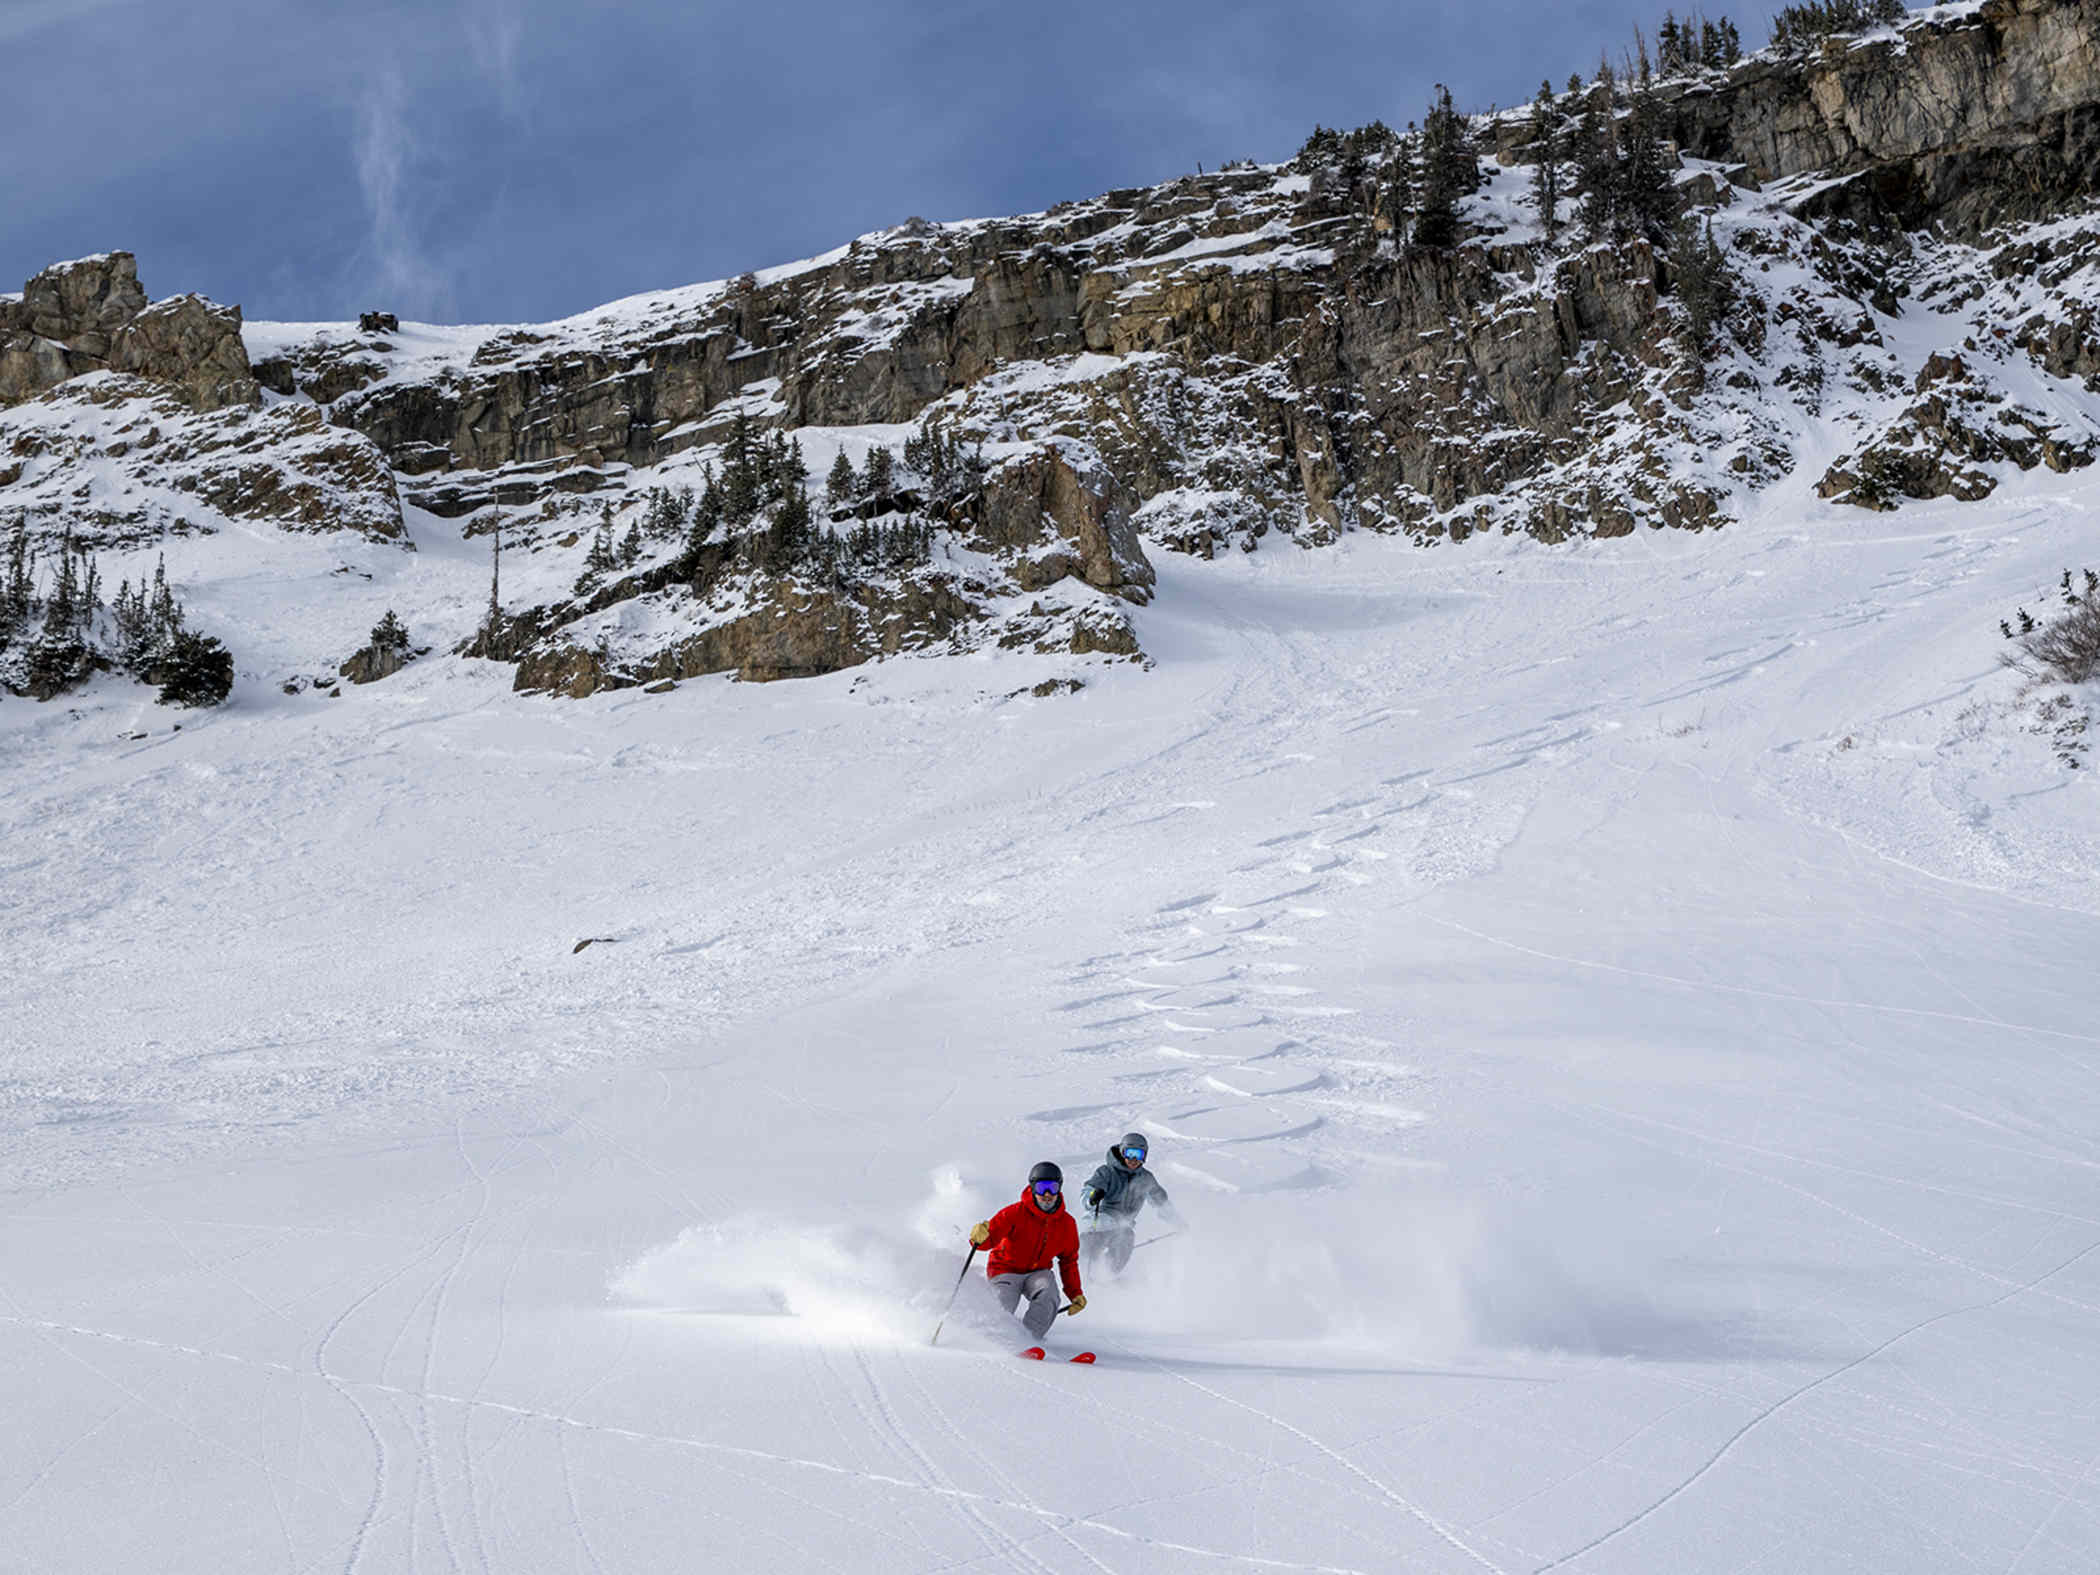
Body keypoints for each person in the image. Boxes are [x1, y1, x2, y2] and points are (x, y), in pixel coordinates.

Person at [970, 1160, 1085, 1345]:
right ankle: (991, 1338)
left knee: (1049, 1295)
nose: (1047, 1194)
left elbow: (1069, 1261)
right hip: (1005, 1269)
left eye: (1053, 1188)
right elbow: (986, 1242)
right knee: (1003, 1302)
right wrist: (979, 1237)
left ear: (1060, 1189)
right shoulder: (1014, 1213)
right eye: (1042, 1188)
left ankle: (1028, 1340)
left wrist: (1075, 1293)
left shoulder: (1067, 1224)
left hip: (1038, 1272)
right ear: (1032, 1188)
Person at [1080, 1131, 1178, 1273]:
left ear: (1145, 1156)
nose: (1133, 1159)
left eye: (1139, 1155)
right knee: (1089, 1251)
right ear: (1122, 1152)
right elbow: (1087, 1192)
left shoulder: (1145, 1178)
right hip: (1098, 1225)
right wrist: (1092, 1197)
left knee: (1126, 1237)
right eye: (1130, 1153)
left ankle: (1107, 1277)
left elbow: (1161, 1203)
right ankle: (1082, 1277)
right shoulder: (1106, 1172)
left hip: (1121, 1228)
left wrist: (1177, 1222)